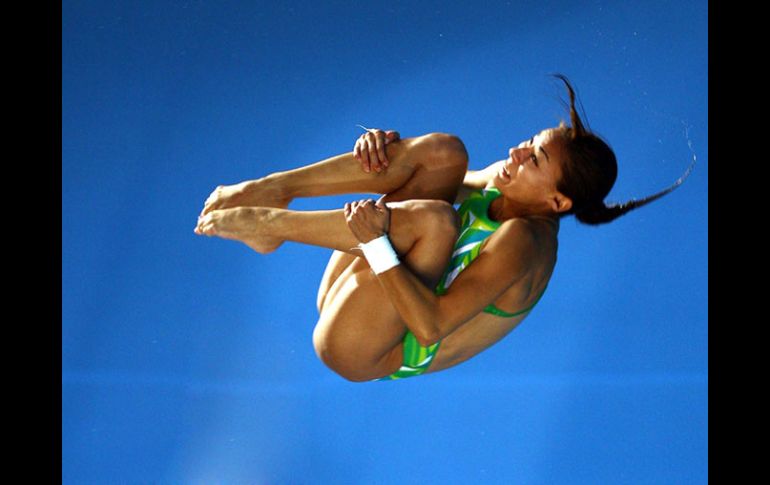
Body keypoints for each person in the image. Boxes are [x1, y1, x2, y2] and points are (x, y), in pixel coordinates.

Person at [194, 75, 691, 382]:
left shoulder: (528, 242)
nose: (517, 151)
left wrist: (376, 242)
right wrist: (380, 151)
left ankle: (273, 225)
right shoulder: (508, 180)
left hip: (364, 346)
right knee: (444, 151)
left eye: (534, 157)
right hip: (361, 285)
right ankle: (274, 190)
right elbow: (418, 170)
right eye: (531, 140)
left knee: (436, 221)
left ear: (557, 202)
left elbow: (431, 326)